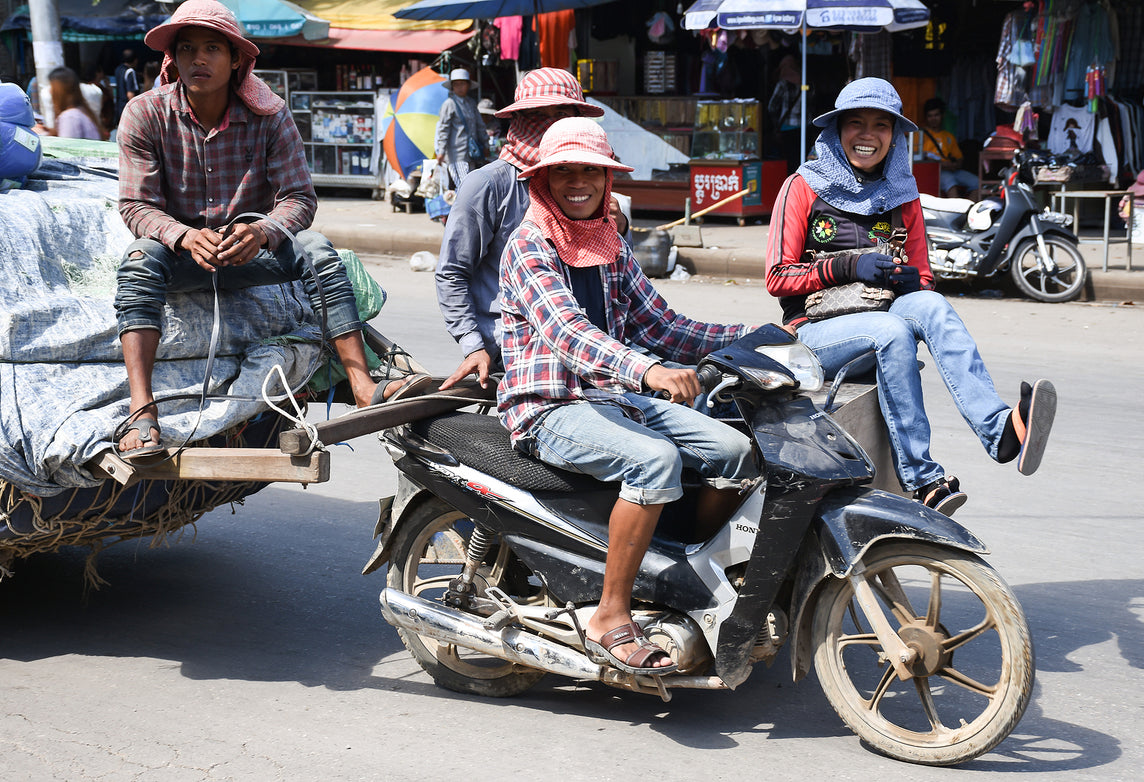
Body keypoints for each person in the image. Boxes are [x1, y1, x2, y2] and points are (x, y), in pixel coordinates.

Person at [498, 117, 761, 673]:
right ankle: (610, 615)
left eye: (590, 170)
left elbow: (664, 326)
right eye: (564, 171)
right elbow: (568, 332)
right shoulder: (529, 244)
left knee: (736, 451)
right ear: (543, 180)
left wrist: (756, 338)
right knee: (655, 460)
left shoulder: (607, 242)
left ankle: (672, 573)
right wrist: (647, 371)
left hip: (613, 398)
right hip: (550, 407)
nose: (579, 182)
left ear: (606, 179)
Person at [112, 0, 415, 459]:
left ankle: (361, 382)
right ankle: (142, 410)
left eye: (212, 48)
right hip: (183, 257)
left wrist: (262, 232)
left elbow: (300, 198)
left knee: (316, 249)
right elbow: (136, 205)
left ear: (236, 59)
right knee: (138, 260)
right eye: (188, 48)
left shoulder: (269, 114)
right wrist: (184, 236)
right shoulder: (145, 113)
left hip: (252, 253)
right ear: (173, 58)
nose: (198, 59)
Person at [765, 78, 1057, 515]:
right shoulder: (802, 186)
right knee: (892, 331)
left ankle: (1000, 431)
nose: (868, 135)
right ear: (837, 130)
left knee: (931, 308)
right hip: (813, 336)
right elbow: (777, 276)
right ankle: (923, 480)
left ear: (895, 136)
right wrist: (846, 265)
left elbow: (924, 280)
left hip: (882, 319)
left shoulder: (903, 194)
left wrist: (905, 281)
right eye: (856, 123)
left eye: (881, 125)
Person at [434, 68, 628, 392]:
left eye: (562, 115)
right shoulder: (489, 185)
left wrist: (616, 229)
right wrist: (473, 344)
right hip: (517, 347)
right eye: (538, 115)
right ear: (520, 120)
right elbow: (452, 271)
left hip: (590, 338)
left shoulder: (582, 181)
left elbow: (620, 282)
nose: (549, 124)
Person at [434, 68, 490, 192]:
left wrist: (485, 144)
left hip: (471, 154)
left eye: (462, 84)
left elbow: (480, 125)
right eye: (456, 84)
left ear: (468, 85)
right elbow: (443, 129)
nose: (459, 87)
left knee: (471, 187)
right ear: (452, 87)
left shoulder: (471, 103)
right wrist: (441, 151)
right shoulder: (449, 104)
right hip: (456, 154)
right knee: (464, 189)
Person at [921, 97, 980, 200]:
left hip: (954, 171)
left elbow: (959, 159)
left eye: (936, 115)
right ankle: (956, 214)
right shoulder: (920, 135)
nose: (933, 119)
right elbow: (919, 159)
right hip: (935, 173)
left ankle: (966, 212)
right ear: (926, 117)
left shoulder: (949, 136)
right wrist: (941, 165)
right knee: (950, 182)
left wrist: (954, 165)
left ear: (942, 115)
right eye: (930, 116)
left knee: (978, 183)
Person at [43, 67, 103, 140]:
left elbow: (65, 148)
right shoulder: (81, 110)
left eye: (52, 87)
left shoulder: (70, 117)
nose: (50, 91)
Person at [84, 65, 116, 138]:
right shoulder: (97, 89)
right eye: (101, 72)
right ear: (97, 73)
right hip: (103, 120)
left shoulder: (90, 87)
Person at [114, 49, 139, 125]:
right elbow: (130, 94)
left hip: (119, 107)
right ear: (135, 60)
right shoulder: (130, 72)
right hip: (127, 109)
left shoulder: (118, 69)